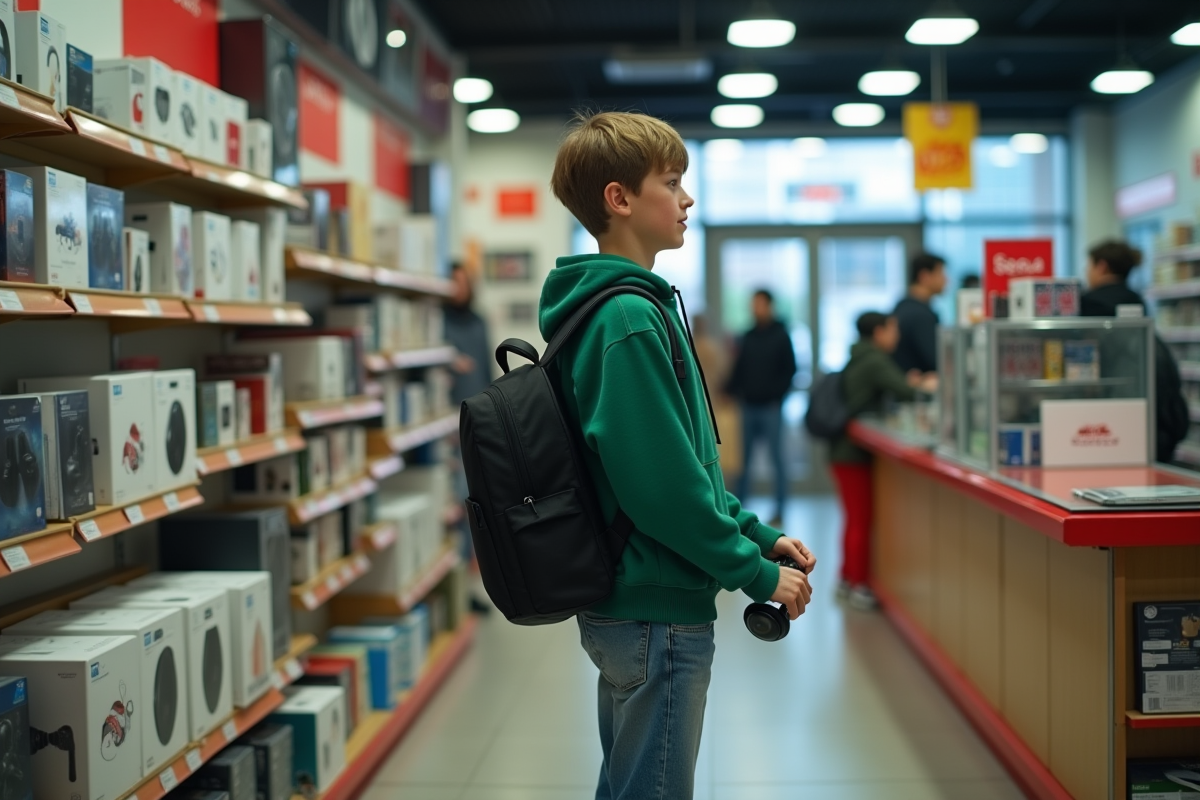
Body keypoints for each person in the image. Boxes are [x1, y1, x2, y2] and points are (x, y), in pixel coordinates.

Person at [544, 110, 816, 800]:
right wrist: (752, 571)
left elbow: (686, 463)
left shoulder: (630, 306)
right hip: (654, 610)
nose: (687, 199)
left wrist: (759, 534)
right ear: (620, 198)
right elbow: (658, 488)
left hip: (637, 600)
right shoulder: (626, 316)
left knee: (631, 781)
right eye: (672, 181)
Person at [830, 312, 936, 610]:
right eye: (892, 329)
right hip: (851, 454)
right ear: (878, 332)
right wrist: (924, 385)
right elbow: (904, 390)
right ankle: (857, 586)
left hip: (843, 451)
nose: (896, 336)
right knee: (860, 520)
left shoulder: (859, 356)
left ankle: (847, 578)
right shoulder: (875, 360)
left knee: (854, 518)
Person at [1080, 239, 1191, 462]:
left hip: (1113, 421)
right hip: (1155, 423)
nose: (1086, 272)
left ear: (1101, 266)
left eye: (1089, 265)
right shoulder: (1137, 303)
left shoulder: (1089, 305)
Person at [445, 262, 494, 613]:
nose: (456, 289)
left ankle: (474, 587)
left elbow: (488, 372)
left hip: (477, 424)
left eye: (461, 282)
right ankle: (459, 591)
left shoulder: (478, 323)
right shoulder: (439, 323)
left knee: (478, 505)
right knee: (458, 504)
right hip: (447, 427)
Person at [727, 290, 797, 527]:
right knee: (743, 463)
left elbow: (790, 371)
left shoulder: (781, 335)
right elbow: (739, 369)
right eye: (753, 304)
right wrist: (729, 390)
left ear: (770, 306)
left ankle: (780, 510)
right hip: (748, 406)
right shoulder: (746, 336)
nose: (755, 308)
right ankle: (738, 511)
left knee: (777, 460)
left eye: (759, 304)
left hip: (771, 407)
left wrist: (778, 396)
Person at [445, 263, 492, 407]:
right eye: (456, 282)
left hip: (480, 403)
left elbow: (486, 364)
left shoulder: (479, 321)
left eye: (465, 283)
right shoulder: (439, 321)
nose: (461, 288)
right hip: (449, 403)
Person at [892, 252, 948, 375]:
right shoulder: (919, 315)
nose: (946, 279)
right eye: (941, 273)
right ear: (924, 276)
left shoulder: (903, 306)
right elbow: (935, 360)